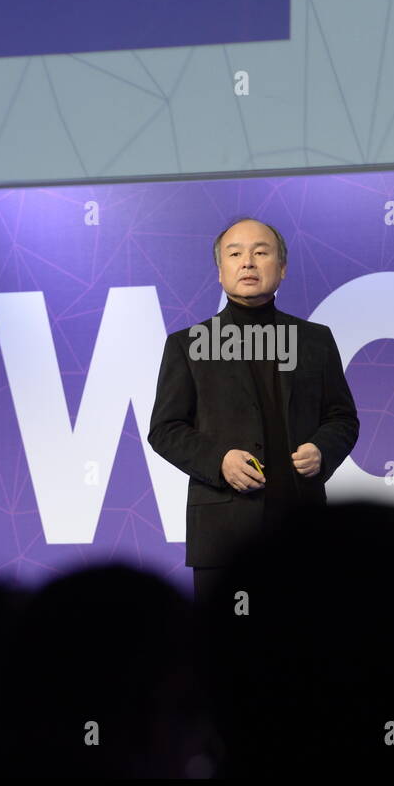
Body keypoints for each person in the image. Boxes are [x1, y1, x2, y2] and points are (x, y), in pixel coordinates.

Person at [147, 217, 359, 601]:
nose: (248, 262)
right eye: (235, 254)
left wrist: (323, 449)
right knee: (230, 654)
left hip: (303, 532)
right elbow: (165, 428)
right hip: (223, 537)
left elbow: (342, 417)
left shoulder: (314, 340)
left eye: (261, 253)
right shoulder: (188, 344)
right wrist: (219, 461)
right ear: (220, 271)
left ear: (282, 268)